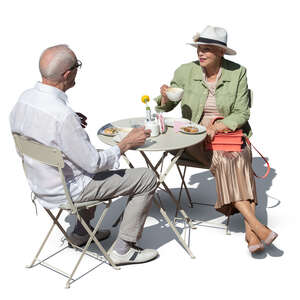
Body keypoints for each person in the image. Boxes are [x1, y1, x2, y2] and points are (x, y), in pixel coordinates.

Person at [10, 44, 158, 265]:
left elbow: (40, 131)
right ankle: (123, 249)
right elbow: (93, 164)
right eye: (77, 65)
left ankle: (81, 233)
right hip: (69, 191)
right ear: (68, 74)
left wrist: (73, 126)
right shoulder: (62, 115)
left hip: (41, 185)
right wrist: (125, 144)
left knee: (97, 157)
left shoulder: (25, 99)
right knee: (147, 177)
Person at [155, 26, 278, 254]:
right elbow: (167, 105)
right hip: (193, 139)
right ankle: (256, 227)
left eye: (208, 50)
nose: (201, 54)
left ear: (221, 52)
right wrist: (163, 97)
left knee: (236, 157)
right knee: (231, 160)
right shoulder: (185, 71)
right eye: (200, 49)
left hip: (228, 136)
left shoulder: (237, 72)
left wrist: (218, 127)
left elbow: (242, 113)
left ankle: (253, 231)